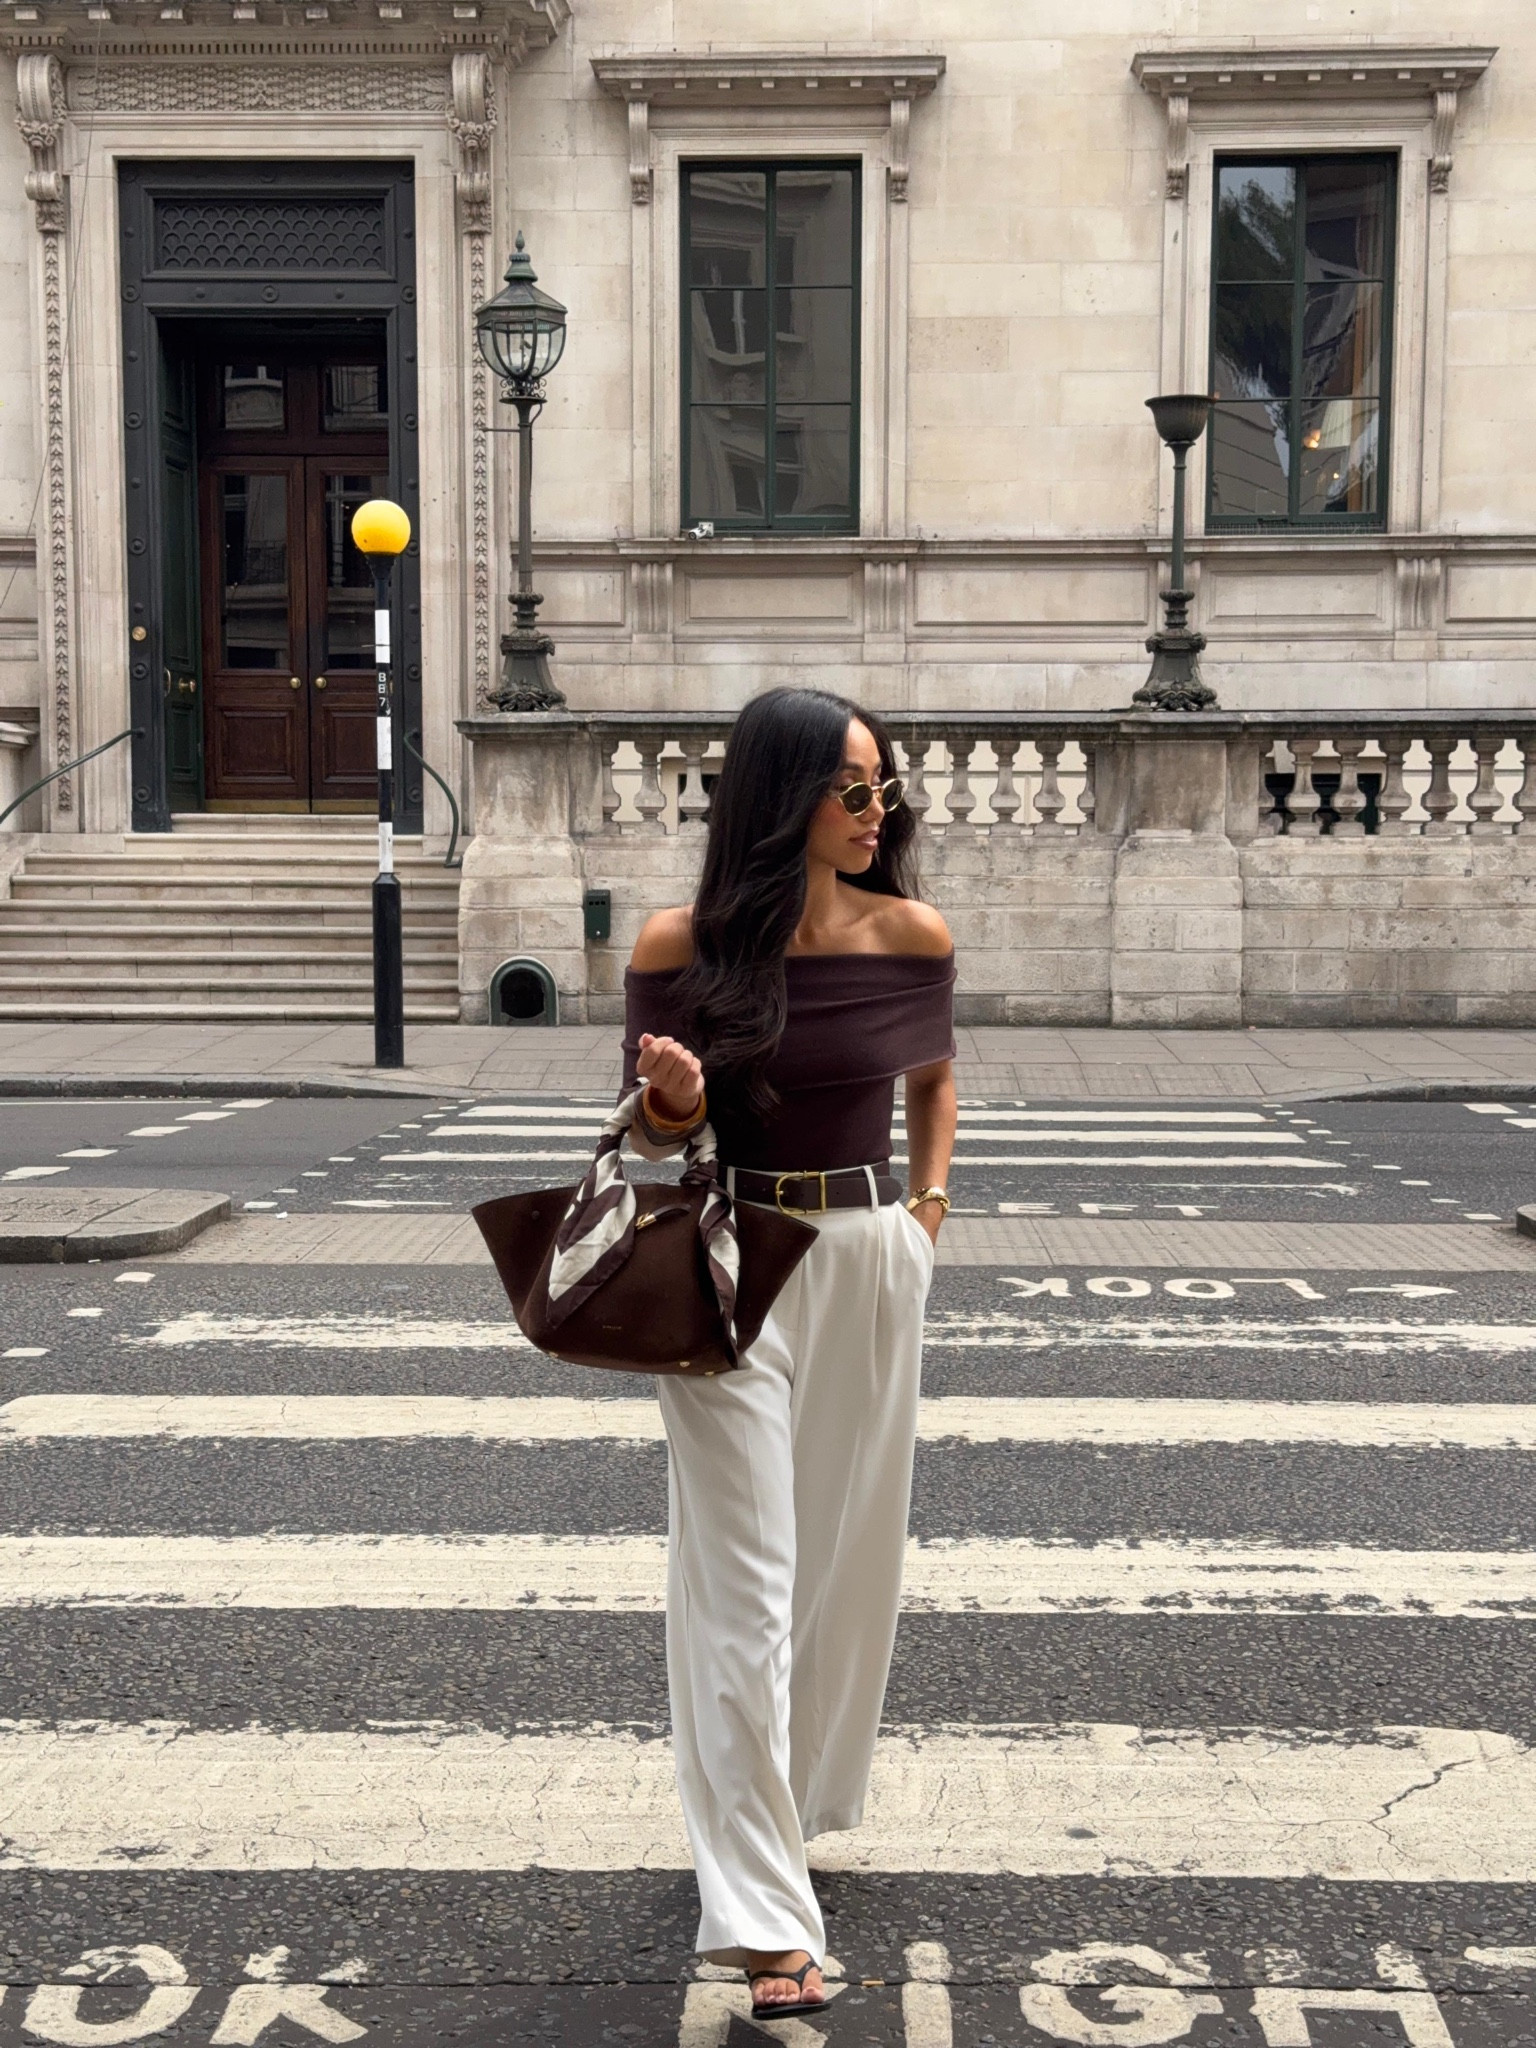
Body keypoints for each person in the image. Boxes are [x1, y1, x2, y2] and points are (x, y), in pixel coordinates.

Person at [620, 685, 957, 2020]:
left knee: (843, 1566)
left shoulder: (912, 933)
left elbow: (933, 1076)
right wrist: (675, 1101)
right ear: (784, 800)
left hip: (869, 1259)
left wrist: (927, 1214)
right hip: (731, 1263)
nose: (880, 811)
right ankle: (765, 1921)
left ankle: (786, 1802)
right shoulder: (681, 944)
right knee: (746, 1588)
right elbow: (651, 1132)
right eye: (853, 789)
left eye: (885, 788)